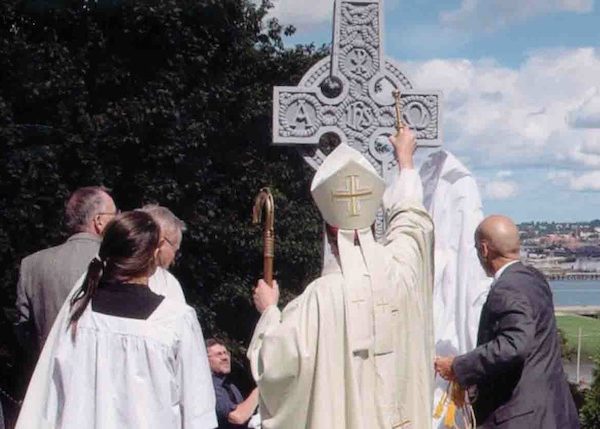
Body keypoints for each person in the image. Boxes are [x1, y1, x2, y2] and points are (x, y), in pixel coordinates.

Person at [248, 128, 434, 429]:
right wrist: (405, 163)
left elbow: (274, 368)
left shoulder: (318, 299)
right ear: (374, 220)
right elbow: (412, 221)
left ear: (328, 230)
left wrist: (270, 311)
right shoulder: (404, 272)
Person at [20, 211, 217, 429]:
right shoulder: (175, 320)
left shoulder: (77, 313)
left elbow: (47, 401)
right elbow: (198, 413)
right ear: (154, 252)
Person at [434, 215, 579, 428]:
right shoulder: (534, 278)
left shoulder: (507, 288)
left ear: (484, 249)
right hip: (555, 413)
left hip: (520, 418)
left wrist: (458, 366)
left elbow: (515, 344)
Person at [15, 186, 117, 351]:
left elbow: (24, 332)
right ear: (99, 221)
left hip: (48, 372)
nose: (118, 220)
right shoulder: (116, 263)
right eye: (115, 215)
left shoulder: (31, 264)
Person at [207, 339, 259, 428]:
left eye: (226, 353)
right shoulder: (210, 387)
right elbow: (237, 417)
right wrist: (261, 388)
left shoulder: (231, 385)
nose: (225, 357)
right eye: (219, 354)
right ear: (206, 360)